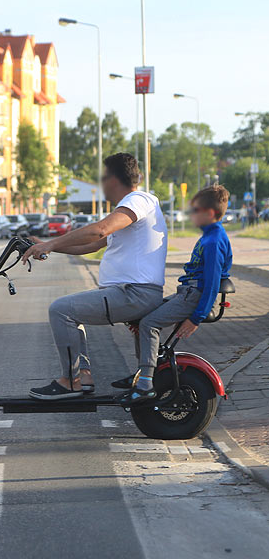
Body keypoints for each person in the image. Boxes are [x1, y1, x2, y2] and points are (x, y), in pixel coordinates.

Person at [22, 152, 168, 400]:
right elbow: (93, 244)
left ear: (113, 179)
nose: (101, 185)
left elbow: (100, 229)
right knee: (71, 310)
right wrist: (48, 245)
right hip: (129, 293)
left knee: (61, 310)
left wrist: (51, 244)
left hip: (135, 294)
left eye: (102, 178)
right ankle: (83, 376)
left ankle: (70, 381)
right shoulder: (132, 207)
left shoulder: (138, 200)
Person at [119, 184, 233, 405]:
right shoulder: (209, 236)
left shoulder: (215, 241)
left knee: (148, 324)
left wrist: (195, 319)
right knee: (139, 317)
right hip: (188, 293)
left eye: (195, 210)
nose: (191, 215)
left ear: (209, 213)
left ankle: (145, 382)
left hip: (194, 297)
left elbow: (210, 285)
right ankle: (145, 371)